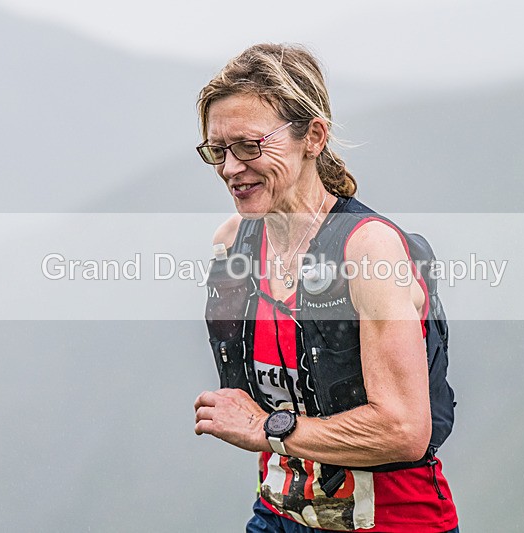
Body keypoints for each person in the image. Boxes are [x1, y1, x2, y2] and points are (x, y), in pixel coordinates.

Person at [193, 43, 459, 533]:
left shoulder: (368, 250)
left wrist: (266, 429)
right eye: (218, 150)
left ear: (313, 136)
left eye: (250, 146)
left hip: (396, 522)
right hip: (277, 514)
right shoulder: (233, 243)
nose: (230, 168)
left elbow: (404, 430)